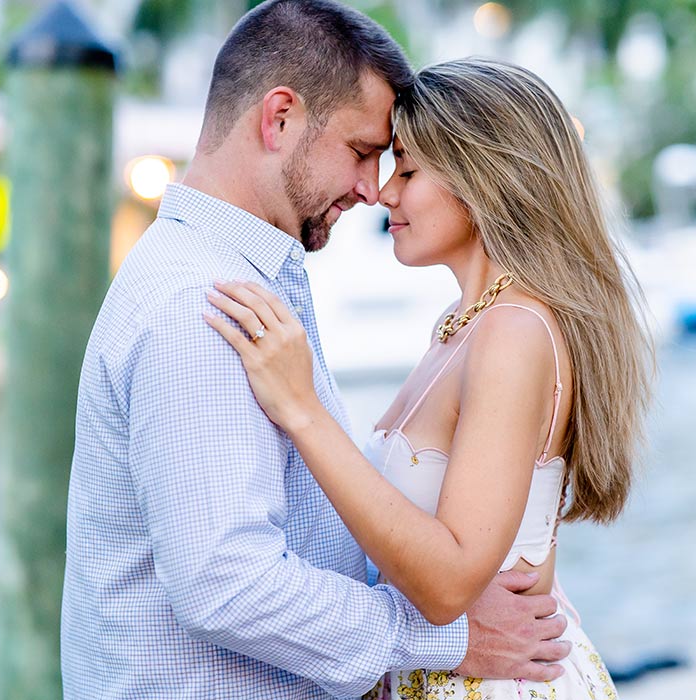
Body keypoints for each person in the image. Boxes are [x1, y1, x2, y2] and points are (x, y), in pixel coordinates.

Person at [60, 3, 571, 699]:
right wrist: (444, 639)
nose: (372, 189)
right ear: (278, 120)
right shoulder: (199, 305)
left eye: (395, 165)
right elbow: (226, 584)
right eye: (363, 152)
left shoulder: (248, 277)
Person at [205, 57, 654, 699]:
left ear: (486, 182)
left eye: (408, 171)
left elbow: (448, 581)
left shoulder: (512, 333)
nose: (385, 193)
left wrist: (301, 410)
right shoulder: (464, 322)